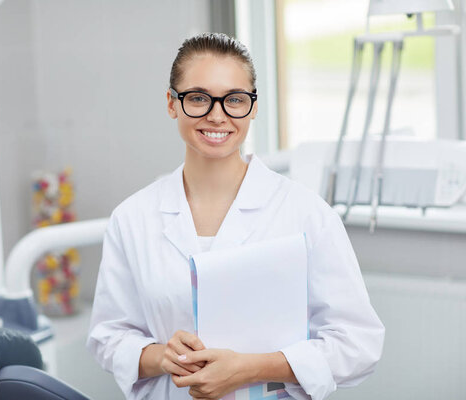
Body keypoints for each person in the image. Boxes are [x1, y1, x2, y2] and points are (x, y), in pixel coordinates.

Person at [86, 32, 384, 400]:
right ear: (171, 103)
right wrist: (163, 357)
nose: (217, 114)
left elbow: (358, 343)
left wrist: (253, 367)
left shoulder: (305, 213)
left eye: (235, 100)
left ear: (254, 106)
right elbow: (108, 336)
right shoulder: (132, 219)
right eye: (198, 98)